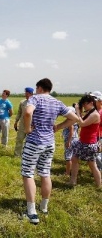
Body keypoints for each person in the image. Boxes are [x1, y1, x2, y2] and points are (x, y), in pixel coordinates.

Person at [21, 78, 78, 224]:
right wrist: (58, 127)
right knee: (45, 174)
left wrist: (27, 129)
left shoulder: (35, 99)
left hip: (34, 142)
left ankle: (32, 212)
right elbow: (74, 118)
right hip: (49, 143)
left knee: (28, 174)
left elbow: (27, 113)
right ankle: (44, 207)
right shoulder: (57, 102)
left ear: (39, 88)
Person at [69, 94, 101, 187]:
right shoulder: (89, 112)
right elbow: (81, 119)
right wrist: (79, 110)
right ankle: (73, 181)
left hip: (89, 144)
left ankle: (99, 185)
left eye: (85, 104)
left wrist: (78, 111)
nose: (84, 106)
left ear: (91, 103)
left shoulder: (95, 114)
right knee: (74, 159)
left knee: (92, 165)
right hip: (82, 141)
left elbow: (82, 123)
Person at [13, 87, 34, 157]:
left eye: (27, 93)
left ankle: (28, 155)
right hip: (22, 124)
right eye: (25, 93)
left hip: (31, 125)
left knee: (30, 141)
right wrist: (16, 121)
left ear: (31, 94)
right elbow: (19, 112)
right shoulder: (22, 102)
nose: (25, 94)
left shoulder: (35, 102)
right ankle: (17, 154)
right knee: (19, 139)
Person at [62, 105, 79, 176]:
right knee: (73, 156)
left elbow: (71, 131)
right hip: (75, 139)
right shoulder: (75, 120)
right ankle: (72, 171)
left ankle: (67, 172)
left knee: (68, 157)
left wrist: (68, 141)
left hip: (70, 140)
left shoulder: (70, 121)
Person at [90, 91, 102, 171]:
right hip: (95, 135)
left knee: (97, 154)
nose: (92, 101)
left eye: (94, 99)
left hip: (99, 136)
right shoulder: (94, 111)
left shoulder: (100, 112)